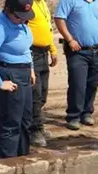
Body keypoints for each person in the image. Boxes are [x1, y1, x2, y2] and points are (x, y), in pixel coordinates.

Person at [0, 0, 37, 159]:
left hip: (24, 73)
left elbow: (26, 49)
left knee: (25, 122)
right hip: (9, 74)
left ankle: (23, 158)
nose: (22, 20)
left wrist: (31, 68)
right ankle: (7, 163)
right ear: (8, 9)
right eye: (19, 16)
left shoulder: (21, 23)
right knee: (11, 124)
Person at [55, 0, 98, 130]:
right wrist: (69, 39)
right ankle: (74, 116)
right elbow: (59, 19)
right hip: (77, 51)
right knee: (77, 84)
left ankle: (87, 112)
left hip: (96, 51)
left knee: (93, 84)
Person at [27, 0, 58, 147]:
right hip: (32, 53)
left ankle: (36, 123)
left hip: (43, 53)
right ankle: (35, 130)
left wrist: (52, 49)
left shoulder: (42, 4)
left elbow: (47, 28)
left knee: (43, 93)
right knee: (35, 93)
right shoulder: (28, 5)